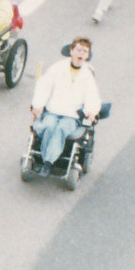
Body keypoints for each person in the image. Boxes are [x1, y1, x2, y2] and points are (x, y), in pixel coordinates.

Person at [28, 37, 102, 173]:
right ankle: (46, 159)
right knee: (49, 126)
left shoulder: (87, 75)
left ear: (87, 56)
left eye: (85, 51)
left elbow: (92, 96)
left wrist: (91, 111)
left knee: (61, 129)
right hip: (53, 110)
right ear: (72, 51)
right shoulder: (58, 68)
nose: (81, 54)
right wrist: (37, 105)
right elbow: (44, 87)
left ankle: (48, 162)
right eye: (79, 50)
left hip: (72, 115)